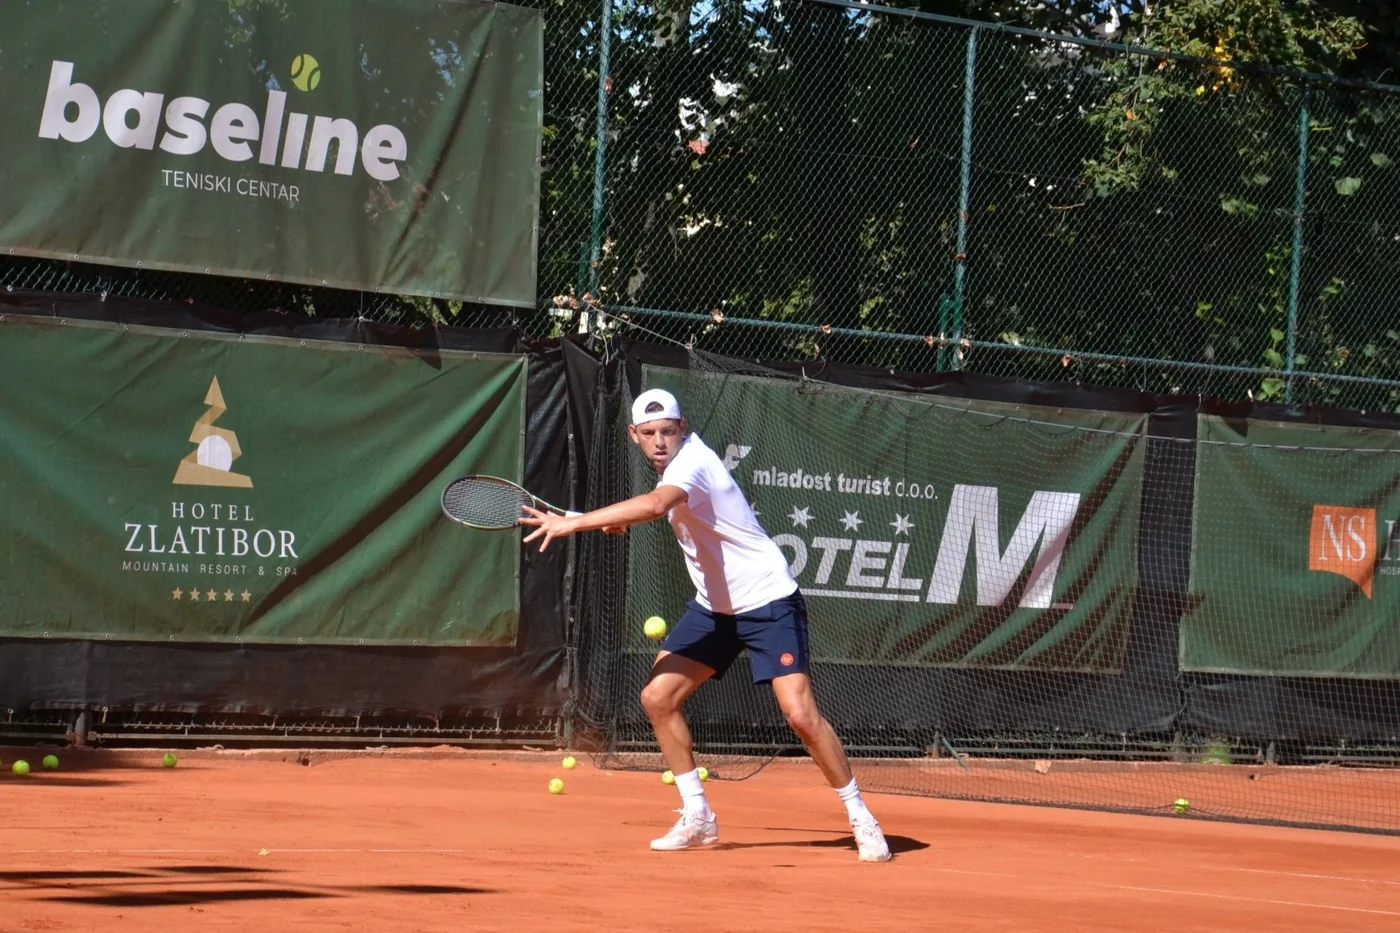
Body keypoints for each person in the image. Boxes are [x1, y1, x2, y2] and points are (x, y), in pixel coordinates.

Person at [520, 387, 892, 862]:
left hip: (767, 600)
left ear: (684, 428)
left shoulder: (693, 462)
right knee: (658, 697)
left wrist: (576, 523)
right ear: (634, 435)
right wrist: (599, 520)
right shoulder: (670, 469)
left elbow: (657, 505)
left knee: (800, 715)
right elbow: (665, 507)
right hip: (714, 609)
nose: (660, 442)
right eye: (650, 433)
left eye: (669, 432)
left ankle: (861, 815)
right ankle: (698, 815)